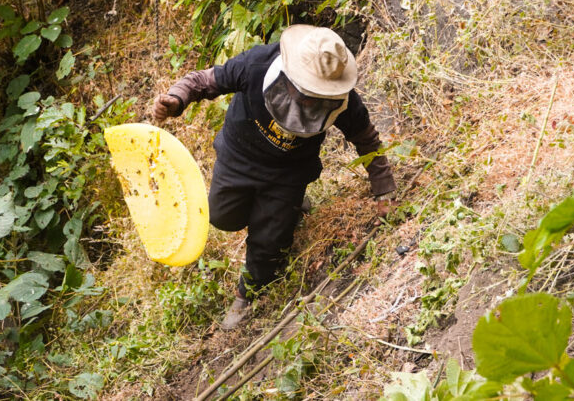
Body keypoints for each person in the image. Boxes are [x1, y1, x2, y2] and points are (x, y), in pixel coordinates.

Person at [152, 25, 397, 330]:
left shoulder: (342, 100)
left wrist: (384, 189)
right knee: (221, 216)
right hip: (239, 156)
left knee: (269, 239)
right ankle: (280, 211)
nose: (309, 102)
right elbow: (204, 80)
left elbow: (366, 138)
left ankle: (247, 293)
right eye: (306, 93)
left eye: (317, 97)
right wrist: (176, 99)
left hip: (288, 173)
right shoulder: (257, 65)